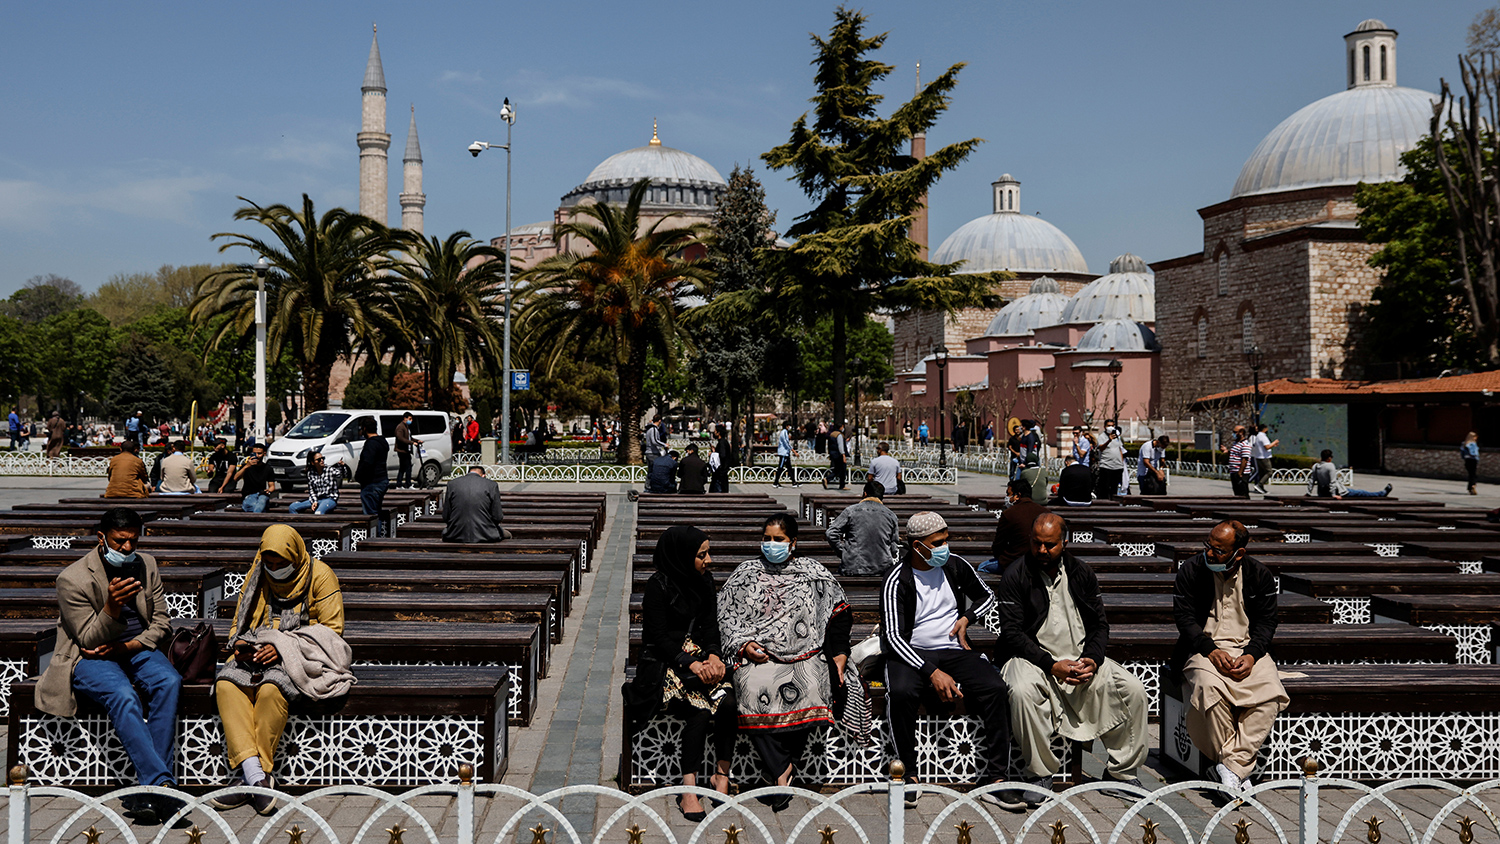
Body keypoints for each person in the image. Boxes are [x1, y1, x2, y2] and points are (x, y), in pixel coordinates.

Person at [35, 508, 185, 826]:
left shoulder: (147, 564)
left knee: (168, 681)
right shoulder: (72, 578)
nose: (128, 548)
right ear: (101, 537)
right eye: (120, 542)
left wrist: (129, 646)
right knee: (122, 693)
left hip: (135, 648)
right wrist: (112, 606)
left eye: (133, 540)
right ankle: (161, 785)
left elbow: (161, 622)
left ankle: (147, 793)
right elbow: (88, 638)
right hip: (88, 655)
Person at [718, 514, 868, 811]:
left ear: (793, 543)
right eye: (767, 538)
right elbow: (727, 619)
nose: (771, 545)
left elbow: (838, 614)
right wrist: (745, 646)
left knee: (813, 685)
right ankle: (782, 770)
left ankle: (780, 771)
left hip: (805, 653)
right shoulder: (746, 573)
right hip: (758, 655)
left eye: (778, 540)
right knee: (750, 688)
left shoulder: (814, 574)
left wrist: (839, 656)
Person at [996, 513, 1149, 803]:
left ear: (1064, 543)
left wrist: (1092, 658)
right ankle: (1039, 773)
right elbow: (1013, 634)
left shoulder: (1081, 573)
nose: (1042, 551)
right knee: (1021, 690)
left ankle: (1121, 774)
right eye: (1037, 543)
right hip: (1032, 659)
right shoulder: (1015, 575)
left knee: (1133, 690)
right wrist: (1051, 665)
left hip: (1078, 658)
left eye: (1050, 545)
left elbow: (1099, 625)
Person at [881, 512, 1022, 810]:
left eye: (946, 540)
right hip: (911, 651)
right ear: (918, 546)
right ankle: (908, 773)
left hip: (953, 649)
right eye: (939, 542)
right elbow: (893, 637)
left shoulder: (954, 564)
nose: (946, 546)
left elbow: (986, 596)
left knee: (995, 687)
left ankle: (997, 778)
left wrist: (966, 619)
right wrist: (932, 671)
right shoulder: (897, 579)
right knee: (902, 692)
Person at [211, 525, 349, 814]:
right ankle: (257, 777)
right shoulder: (258, 571)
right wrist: (240, 644)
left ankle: (247, 779)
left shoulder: (320, 575)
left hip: (300, 654)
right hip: (256, 648)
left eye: (281, 564)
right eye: (269, 563)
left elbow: (332, 631)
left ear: (295, 557)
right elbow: (241, 618)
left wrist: (283, 647)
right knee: (226, 685)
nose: (274, 569)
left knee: (272, 690)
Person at [622, 526, 734, 821]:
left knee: (728, 703)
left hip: (699, 659)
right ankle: (689, 790)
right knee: (698, 709)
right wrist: (691, 663)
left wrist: (713, 655)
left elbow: (711, 626)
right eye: (701, 555)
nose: (708, 560)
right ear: (682, 557)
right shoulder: (658, 586)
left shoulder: (704, 581)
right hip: (665, 663)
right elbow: (658, 637)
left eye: (708, 552)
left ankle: (721, 777)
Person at [1173, 521, 1288, 791]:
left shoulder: (1260, 575)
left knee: (1271, 694)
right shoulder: (1191, 570)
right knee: (1207, 688)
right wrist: (1210, 650)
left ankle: (1229, 768)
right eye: (1208, 547)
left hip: (1248, 648)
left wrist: (1251, 656)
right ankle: (1238, 770)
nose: (1210, 554)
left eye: (1219, 550)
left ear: (1239, 553)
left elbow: (1267, 623)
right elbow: (1184, 619)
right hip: (1203, 648)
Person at [826, 480, 900, 576]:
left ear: (865, 494)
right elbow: (894, 547)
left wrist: (843, 552)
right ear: (882, 496)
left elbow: (831, 533)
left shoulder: (851, 511)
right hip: (882, 569)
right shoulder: (891, 515)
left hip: (853, 568)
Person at [988, 476, 1049, 571]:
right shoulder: (1045, 512)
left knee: (981, 568)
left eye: (1009, 494)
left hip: (1013, 562)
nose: (1007, 498)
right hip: (1040, 561)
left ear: (1017, 496)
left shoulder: (1009, 514)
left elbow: (998, 544)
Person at [443, 464, 512, 542]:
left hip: (455, 534)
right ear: (483, 475)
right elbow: (498, 517)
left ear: (467, 473)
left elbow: (446, 516)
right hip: (486, 534)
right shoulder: (491, 485)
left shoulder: (452, 484)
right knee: (507, 534)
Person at [1306, 450, 1392, 498]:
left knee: (1359, 492)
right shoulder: (1330, 466)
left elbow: (1311, 480)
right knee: (1361, 492)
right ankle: (1381, 494)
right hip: (1338, 492)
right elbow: (1332, 482)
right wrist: (1334, 495)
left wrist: (1308, 493)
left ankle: (1381, 493)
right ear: (1329, 458)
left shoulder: (1316, 466)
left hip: (1323, 494)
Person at [354, 417, 389, 521]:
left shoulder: (371, 444)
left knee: (371, 517)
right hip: (382, 479)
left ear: (364, 428)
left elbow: (367, 463)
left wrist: (358, 476)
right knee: (376, 511)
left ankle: (375, 537)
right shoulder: (382, 442)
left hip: (372, 483)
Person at [228, 444, 276, 512]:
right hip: (249, 495)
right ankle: (257, 517)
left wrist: (269, 490)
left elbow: (272, 486)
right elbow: (235, 478)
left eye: (259, 453)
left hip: (262, 494)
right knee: (256, 506)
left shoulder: (268, 468)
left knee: (262, 501)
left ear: (264, 454)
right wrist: (246, 466)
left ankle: (256, 517)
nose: (256, 456)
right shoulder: (246, 466)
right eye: (254, 453)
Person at [1094, 425, 1127, 500]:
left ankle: (1115, 503)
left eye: (1112, 425)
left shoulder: (1117, 436)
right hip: (1106, 465)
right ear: (1105, 427)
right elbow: (1101, 448)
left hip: (1117, 466)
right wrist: (1109, 440)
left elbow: (1120, 449)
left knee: (1115, 487)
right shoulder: (1102, 437)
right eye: (1109, 425)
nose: (1111, 427)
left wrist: (1121, 463)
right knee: (1104, 487)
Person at [1226, 426, 1254, 499]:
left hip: (1241, 473)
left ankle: (1247, 508)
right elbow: (1235, 455)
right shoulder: (1236, 443)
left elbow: (1244, 459)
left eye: (1235, 432)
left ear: (1241, 433)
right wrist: (1227, 452)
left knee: (1243, 493)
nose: (1233, 434)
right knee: (1237, 493)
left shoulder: (1245, 444)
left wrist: (1240, 472)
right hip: (1233, 471)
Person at [822, 422, 849, 490]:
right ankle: (842, 485)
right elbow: (840, 446)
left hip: (833, 454)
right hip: (839, 455)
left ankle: (827, 479)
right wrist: (843, 455)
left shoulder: (832, 434)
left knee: (837, 470)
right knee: (842, 469)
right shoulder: (839, 435)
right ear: (841, 426)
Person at [772, 421, 799, 488]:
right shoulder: (783, 432)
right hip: (783, 453)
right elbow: (786, 443)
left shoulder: (785, 433)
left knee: (789, 468)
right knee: (780, 467)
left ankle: (794, 482)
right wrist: (793, 451)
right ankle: (775, 482)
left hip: (786, 453)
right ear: (786, 426)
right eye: (789, 425)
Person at [709, 426, 732, 494]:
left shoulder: (722, 443)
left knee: (718, 492)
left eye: (715, 431)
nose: (714, 432)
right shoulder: (723, 442)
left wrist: (713, 454)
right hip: (722, 472)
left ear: (718, 433)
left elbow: (722, 455)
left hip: (720, 473)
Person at [394, 412, 415, 489]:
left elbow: (409, 437)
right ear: (405, 418)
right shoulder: (400, 427)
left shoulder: (406, 427)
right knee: (407, 467)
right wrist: (411, 442)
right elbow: (400, 438)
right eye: (409, 419)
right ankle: (408, 484)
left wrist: (416, 441)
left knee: (403, 468)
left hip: (406, 450)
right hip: (402, 450)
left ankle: (399, 484)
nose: (411, 420)